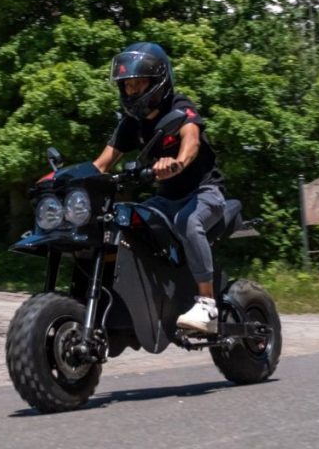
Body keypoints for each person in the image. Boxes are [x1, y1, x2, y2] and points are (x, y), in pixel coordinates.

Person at [92, 42, 226, 334]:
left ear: (158, 82)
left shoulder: (180, 107)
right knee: (124, 221)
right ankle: (151, 294)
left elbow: (191, 141)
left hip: (204, 194)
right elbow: (101, 164)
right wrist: (63, 180)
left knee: (188, 222)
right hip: (166, 199)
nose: (132, 91)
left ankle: (207, 304)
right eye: (127, 85)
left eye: (138, 83)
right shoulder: (131, 124)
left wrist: (177, 163)